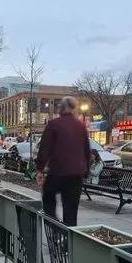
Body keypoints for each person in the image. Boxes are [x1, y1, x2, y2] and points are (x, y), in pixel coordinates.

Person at [35, 96, 91, 226]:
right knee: (71, 212)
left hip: (57, 173)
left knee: (48, 200)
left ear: (61, 108)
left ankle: (54, 228)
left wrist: (40, 169)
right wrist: (85, 172)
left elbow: (44, 148)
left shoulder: (53, 125)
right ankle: (68, 240)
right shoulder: (81, 127)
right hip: (75, 176)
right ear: (74, 109)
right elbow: (87, 151)